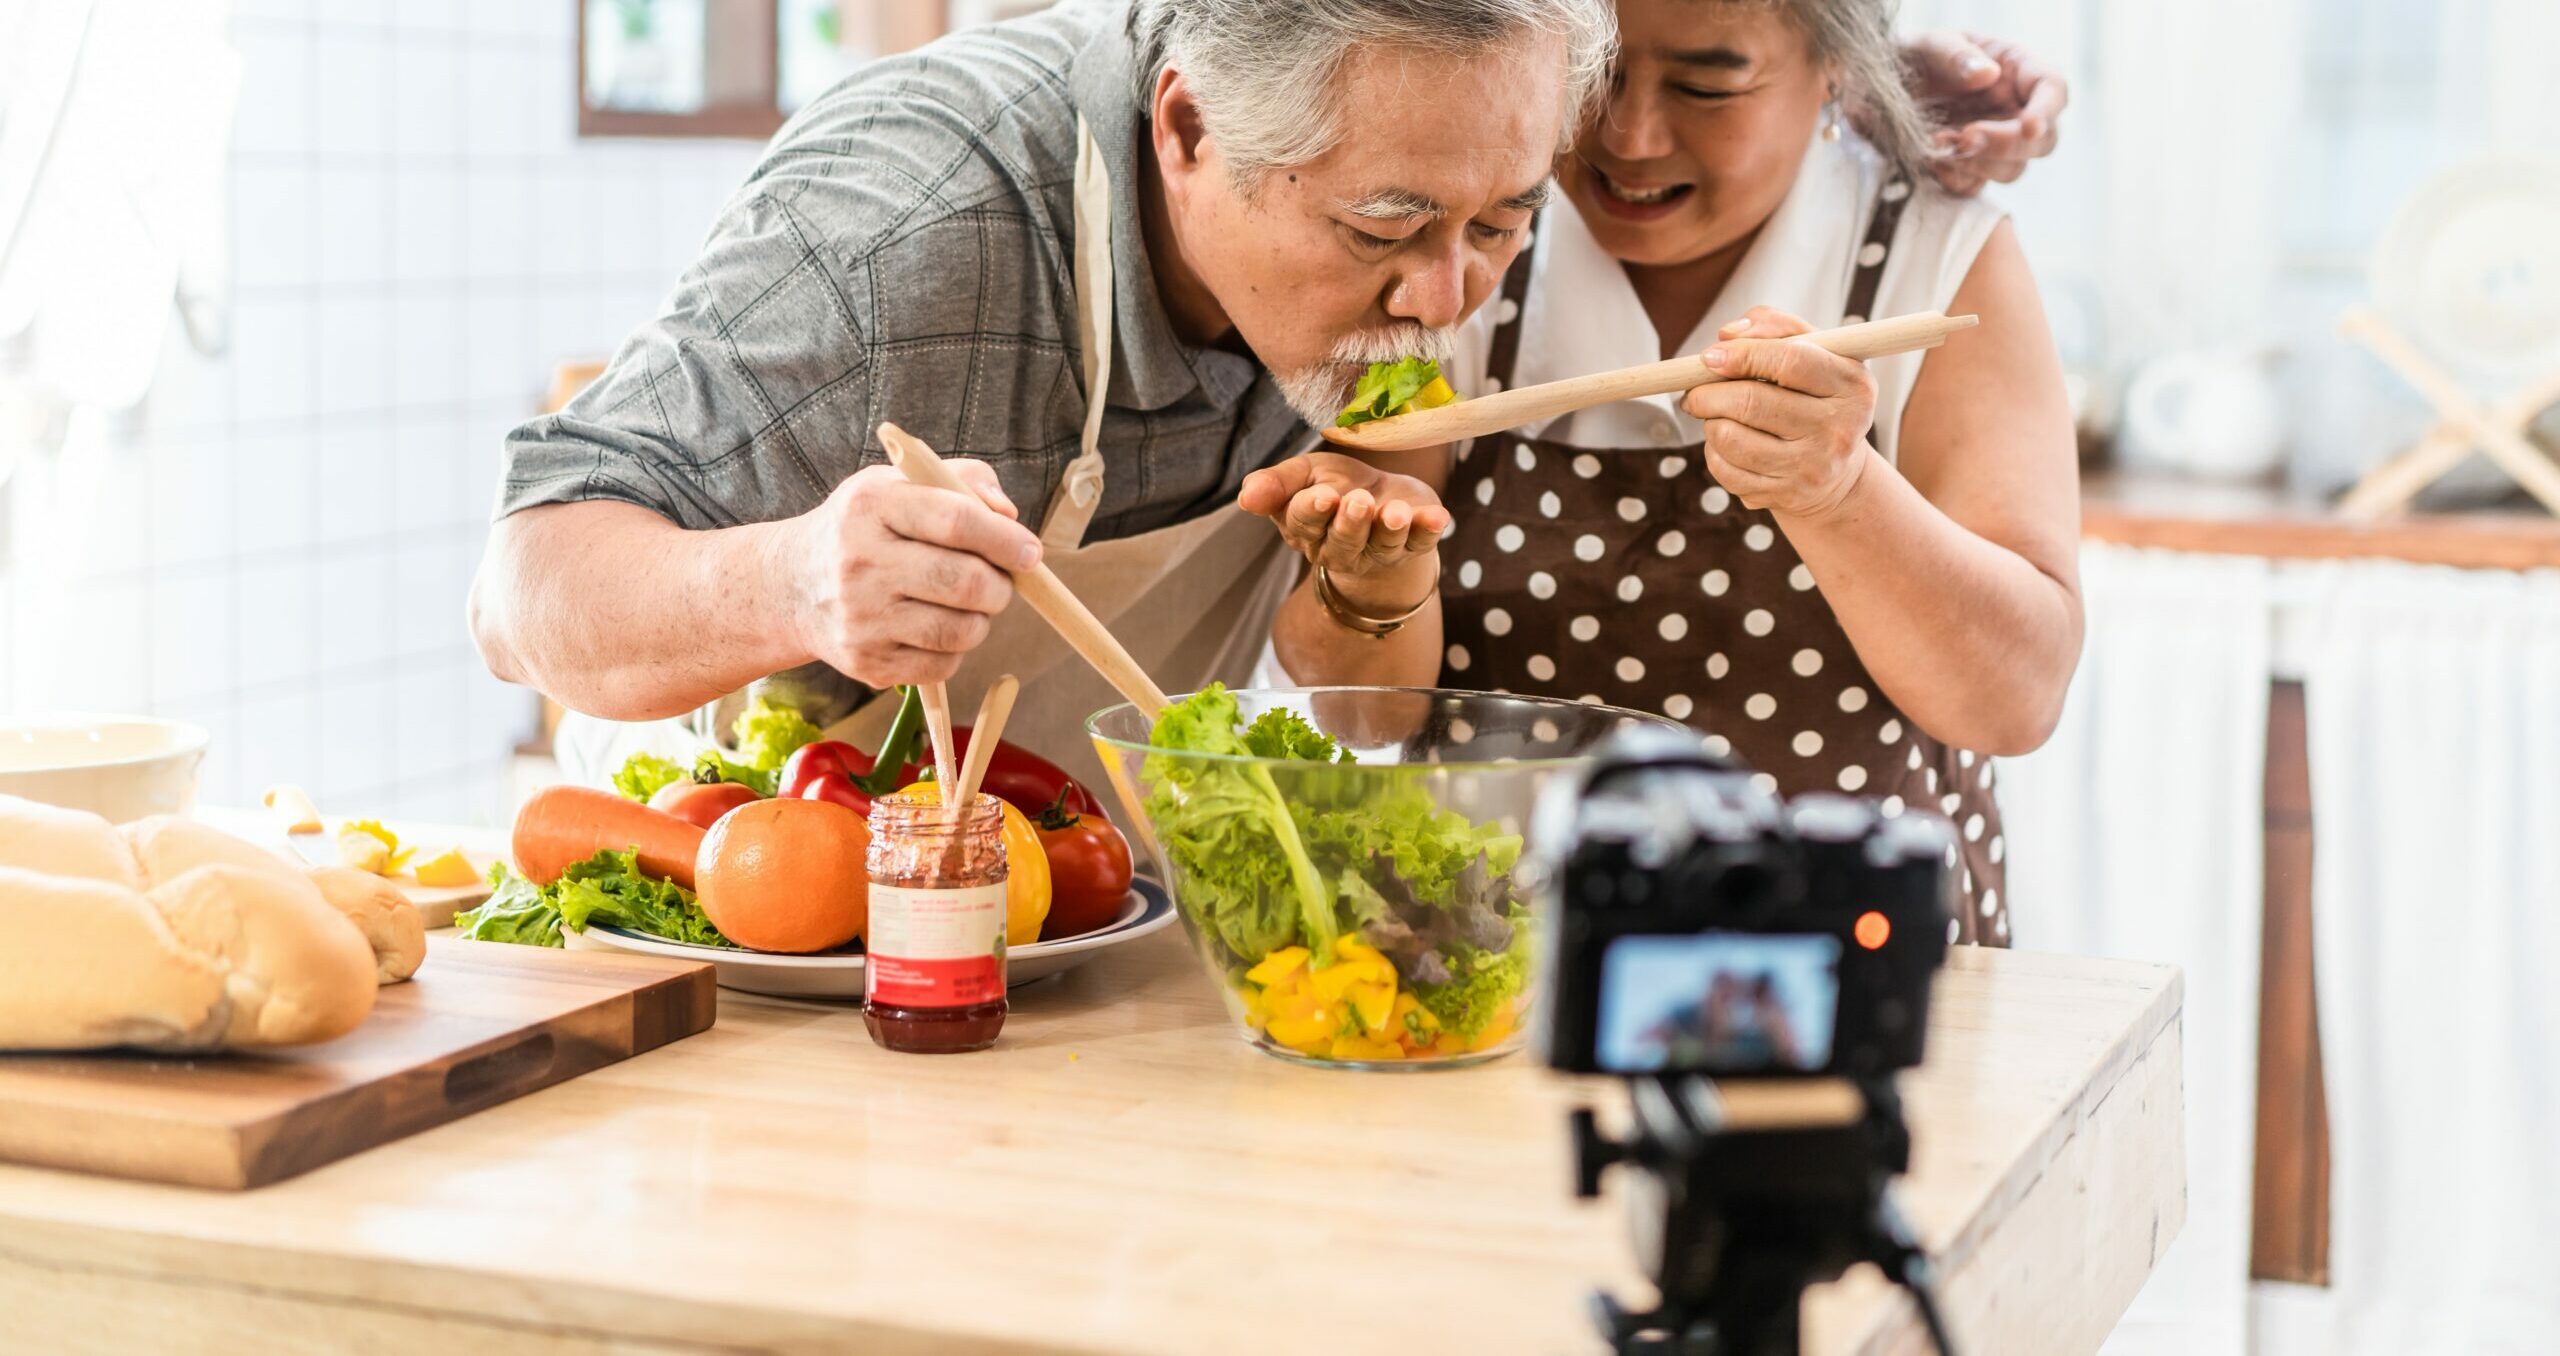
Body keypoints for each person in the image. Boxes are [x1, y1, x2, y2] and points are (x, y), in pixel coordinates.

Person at [472, 0, 2062, 789]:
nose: (1447, 302)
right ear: (1184, 135)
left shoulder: (1457, 157)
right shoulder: (910, 233)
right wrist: (794, 575)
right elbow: (520, 590)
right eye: (1387, 230)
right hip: (791, 943)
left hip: (1113, 947)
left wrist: (1877, 77)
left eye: (1507, 224)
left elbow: (1352, 680)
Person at [1243, 0, 2082, 946]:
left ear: (1837, 69)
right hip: (1491, 967)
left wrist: (1839, 493)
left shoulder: (1936, 253)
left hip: (1849, 959)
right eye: (1588, 74)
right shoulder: (1465, 238)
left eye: (1706, 84)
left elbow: (2017, 699)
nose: (1630, 136)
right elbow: (1361, 714)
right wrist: (1371, 577)